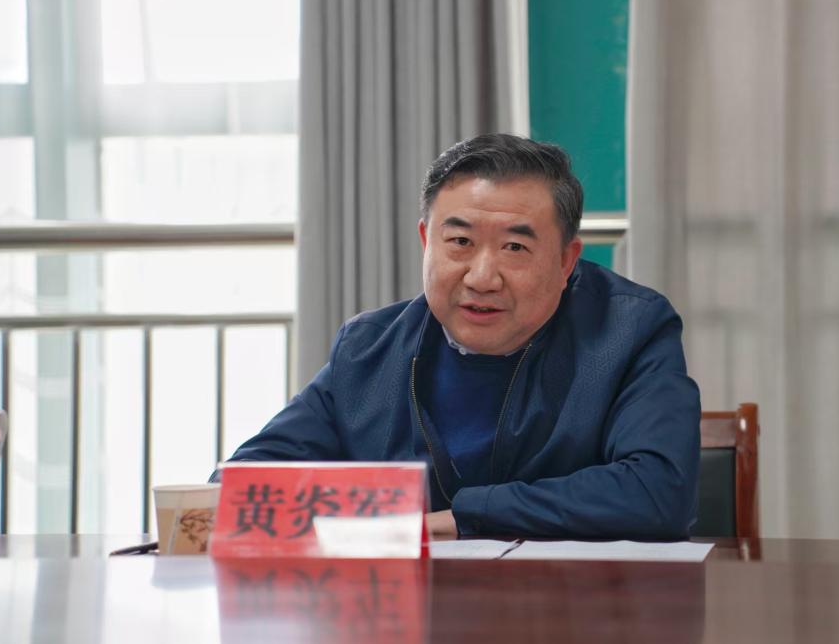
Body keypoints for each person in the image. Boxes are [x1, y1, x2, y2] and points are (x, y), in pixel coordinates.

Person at [225, 133, 701, 539]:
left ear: (565, 261)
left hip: (572, 607)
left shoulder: (630, 330)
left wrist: (460, 519)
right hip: (409, 607)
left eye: (514, 247)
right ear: (426, 242)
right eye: (460, 242)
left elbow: (658, 493)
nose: (482, 277)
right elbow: (244, 485)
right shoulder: (368, 348)